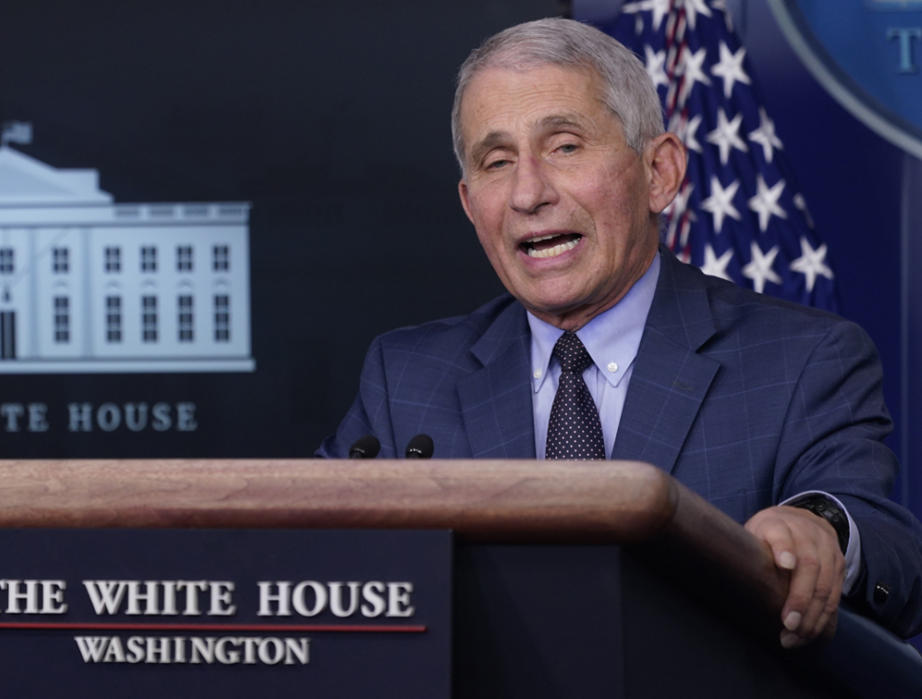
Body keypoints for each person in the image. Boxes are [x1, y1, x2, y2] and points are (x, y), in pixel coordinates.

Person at [317, 17, 922, 644]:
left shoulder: (801, 360)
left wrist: (822, 528)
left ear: (659, 173)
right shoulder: (406, 377)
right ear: (472, 206)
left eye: (565, 146)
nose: (527, 193)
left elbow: (889, 555)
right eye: (497, 162)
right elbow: (301, 557)